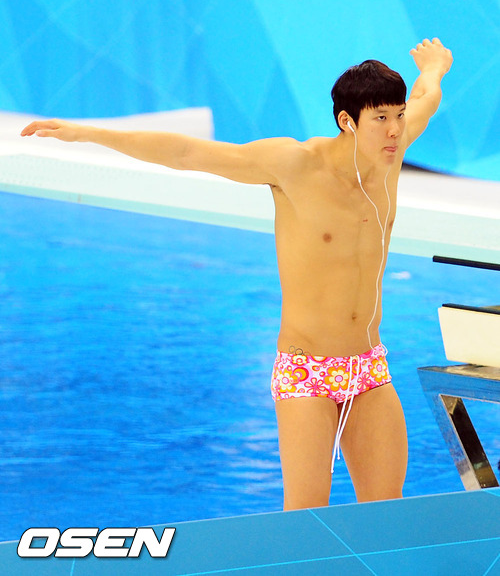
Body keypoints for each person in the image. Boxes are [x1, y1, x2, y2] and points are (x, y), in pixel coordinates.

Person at [21, 37, 453, 511]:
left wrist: (434, 67)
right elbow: (187, 153)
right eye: (381, 119)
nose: (395, 130)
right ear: (347, 122)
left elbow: (425, 97)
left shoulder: (390, 155)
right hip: (307, 370)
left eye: (398, 116)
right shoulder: (294, 165)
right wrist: (87, 134)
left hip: (368, 368)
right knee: (306, 520)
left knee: (387, 513)